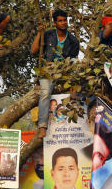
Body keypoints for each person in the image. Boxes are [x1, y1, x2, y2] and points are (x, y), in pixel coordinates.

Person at [30, 9, 80, 137]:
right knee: (45, 92)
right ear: (55, 22)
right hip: (47, 71)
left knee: (76, 62)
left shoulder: (73, 41)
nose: (63, 23)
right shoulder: (48, 35)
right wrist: (39, 33)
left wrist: (60, 65)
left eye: (65, 20)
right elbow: (34, 50)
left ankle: (73, 91)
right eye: (60, 21)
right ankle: (42, 126)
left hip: (64, 71)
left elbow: (72, 61)